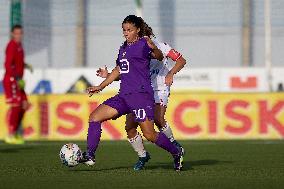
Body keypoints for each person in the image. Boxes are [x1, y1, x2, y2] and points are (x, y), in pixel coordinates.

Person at [81, 15, 184, 171]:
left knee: (149, 134)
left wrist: (153, 48)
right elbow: (118, 70)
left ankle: (176, 152)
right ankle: (90, 154)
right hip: (124, 96)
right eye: (124, 30)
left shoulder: (144, 43)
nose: (126, 33)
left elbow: (159, 56)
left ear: (137, 30)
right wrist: (100, 86)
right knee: (95, 117)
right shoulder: (123, 48)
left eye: (129, 30)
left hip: (141, 96)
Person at [2, 25, 33, 144]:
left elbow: (17, 62)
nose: (18, 35)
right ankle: (10, 134)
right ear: (12, 34)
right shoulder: (11, 46)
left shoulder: (20, 46)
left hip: (18, 81)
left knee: (25, 105)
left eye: (20, 33)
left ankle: (14, 133)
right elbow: (7, 65)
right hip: (11, 80)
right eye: (16, 33)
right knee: (16, 106)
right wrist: (17, 78)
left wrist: (25, 65)